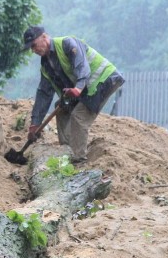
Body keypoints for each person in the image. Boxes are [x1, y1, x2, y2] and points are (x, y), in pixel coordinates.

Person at [22, 25, 124, 164]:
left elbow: (82, 67)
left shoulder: (67, 43)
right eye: (31, 48)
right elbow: (43, 95)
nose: (34, 50)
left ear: (44, 37)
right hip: (85, 88)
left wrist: (78, 88)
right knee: (62, 107)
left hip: (104, 79)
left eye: (34, 45)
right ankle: (67, 150)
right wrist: (35, 123)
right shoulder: (46, 65)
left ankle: (78, 159)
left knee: (79, 116)